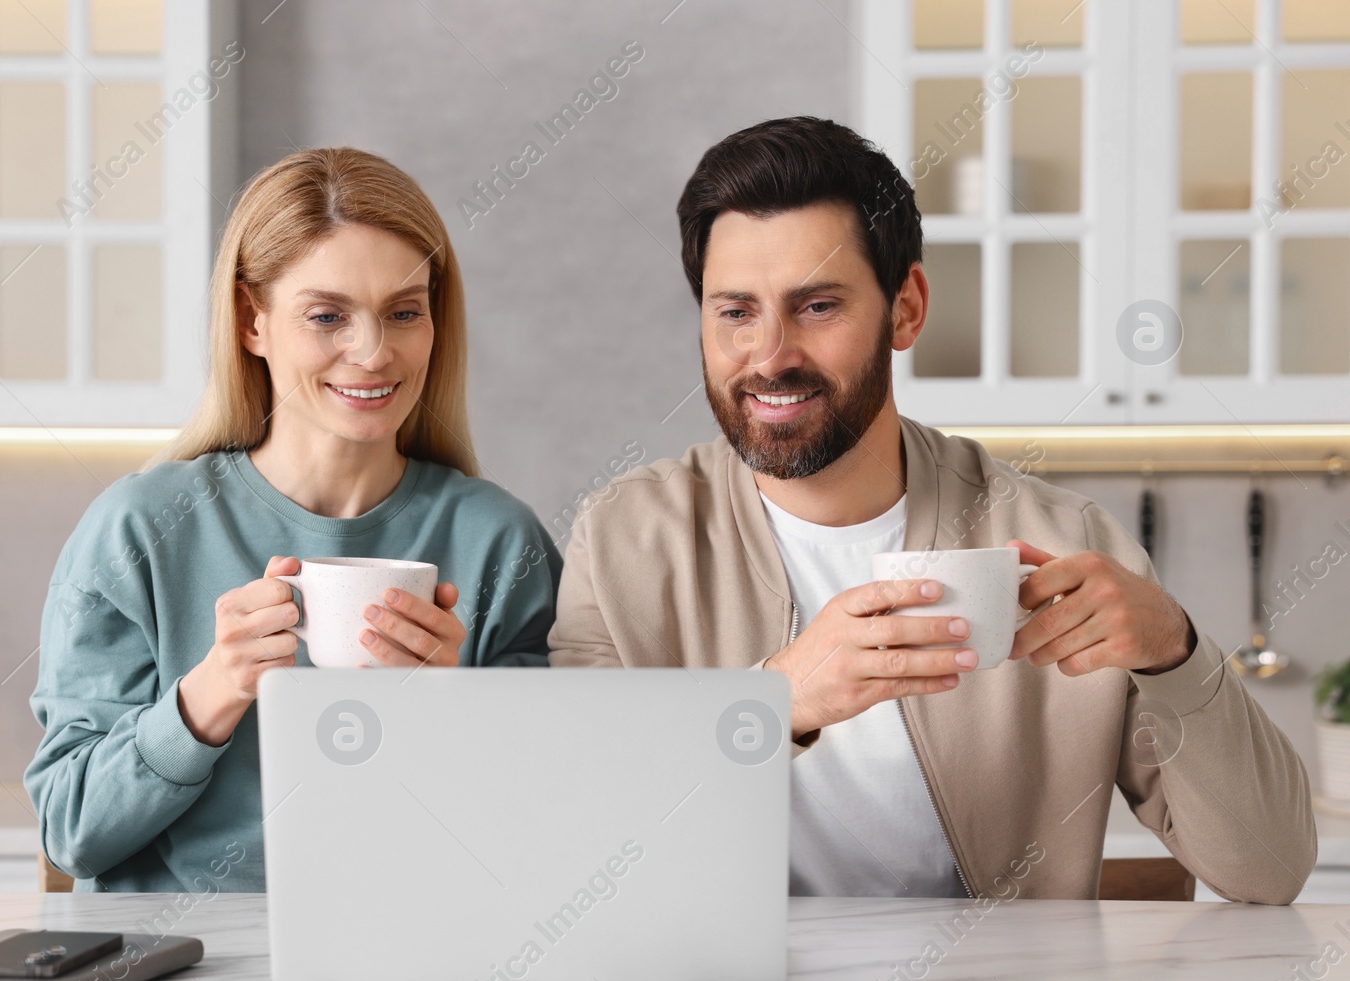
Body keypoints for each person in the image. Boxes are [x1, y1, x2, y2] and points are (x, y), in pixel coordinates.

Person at [548, 117, 1315, 904]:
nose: (771, 354)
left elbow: (1273, 868)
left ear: (906, 308)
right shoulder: (624, 542)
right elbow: (568, 839)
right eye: (735, 311)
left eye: (817, 306)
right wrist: (776, 700)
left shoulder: (1063, 540)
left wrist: (1177, 654)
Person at [27, 148, 560, 892]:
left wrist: (451, 718)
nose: (373, 352)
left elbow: (550, 835)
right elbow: (70, 830)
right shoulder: (139, 530)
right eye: (327, 316)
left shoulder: (501, 543)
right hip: (184, 979)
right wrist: (208, 693)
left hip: (416, 971)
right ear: (252, 321)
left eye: (404, 312)